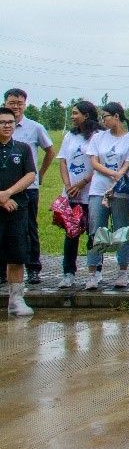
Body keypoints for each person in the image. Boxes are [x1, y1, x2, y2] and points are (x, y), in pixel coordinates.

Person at [84, 103, 129, 289]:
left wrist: (118, 177)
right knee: (96, 230)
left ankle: (123, 272)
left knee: (121, 230)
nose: (103, 120)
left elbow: (128, 163)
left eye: (106, 116)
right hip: (99, 189)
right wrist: (112, 174)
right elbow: (94, 162)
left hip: (122, 191)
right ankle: (93, 273)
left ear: (117, 116)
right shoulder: (98, 137)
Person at [3, 89, 54, 286]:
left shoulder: (35, 127)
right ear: (5, 103)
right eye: (12, 102)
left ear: (25, 104)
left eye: (19, 103)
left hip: (27, 188)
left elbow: (50, 150)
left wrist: (40, 174)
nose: (16, 106)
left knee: (29, 228)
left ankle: (33, 268)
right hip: (2, 189)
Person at [54, 101, 100, 289]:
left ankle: (95, 271)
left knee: (93, 233)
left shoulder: (98, 136)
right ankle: (68, 273)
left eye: (75, 113)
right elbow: (63, 161)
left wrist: (83, 183)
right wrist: (68, 186)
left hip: (92, 192)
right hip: (72, 193)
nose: (72, 117)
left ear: (86, 115)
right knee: (71, 233)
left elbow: (99, 164)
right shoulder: (69, 136)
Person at [0, 106, 37, 316]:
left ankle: (16, 300)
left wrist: (8, 193)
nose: (7, 126)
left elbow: (30, 174)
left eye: (10, 122)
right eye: (2, 122)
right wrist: (1, 199)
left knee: (17, 254)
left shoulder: (23, 148)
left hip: (17, 208)